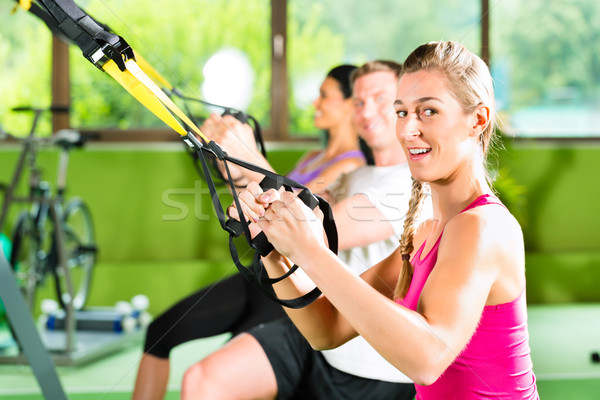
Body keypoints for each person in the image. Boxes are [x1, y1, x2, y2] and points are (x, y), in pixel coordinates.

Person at [234, 41, 540, 399]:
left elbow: (427, 359)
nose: (408, 129)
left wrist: (312, 251)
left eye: (428, 111)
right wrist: (272, 250)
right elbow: (326, 328)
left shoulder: (482, 226)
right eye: (401, 112)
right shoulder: (427, 233)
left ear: (478, 119)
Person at [180, 60, 425, 400]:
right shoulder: (358, 176)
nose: (367, 111)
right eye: (358, 102)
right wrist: (235, 166)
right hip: (316, 335)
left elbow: (318, 231)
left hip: (370, 366)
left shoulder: (412, 183)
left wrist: (247, 155)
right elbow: (295, 204)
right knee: (204, 381)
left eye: (380, 99)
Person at [132, 65, 368, 400]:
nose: (315, 102)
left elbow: (304, 213)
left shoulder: (351, 164)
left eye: (325, 95)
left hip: (289, 284)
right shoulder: (313, 156)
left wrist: (247, 152)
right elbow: (259, 192)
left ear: (349, 104)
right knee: (160, 332)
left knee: (223, 376)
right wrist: (225, 153)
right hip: (259, 273)